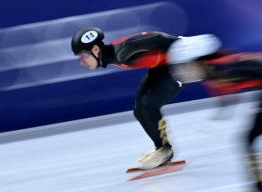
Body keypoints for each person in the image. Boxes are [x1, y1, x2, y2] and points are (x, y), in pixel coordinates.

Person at [168, 34, 262, 192]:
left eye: (183, 66)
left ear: (197, 61)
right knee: (248, 140)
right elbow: (229, 100)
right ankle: (258, 189)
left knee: (248, 140)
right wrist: (215, 121)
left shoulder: (223, 68)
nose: (181, 72)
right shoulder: (211, 75)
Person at [71, 27, 181, 169]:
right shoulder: (114, 54)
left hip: (179, 64)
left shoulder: (122, 52)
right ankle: (162, 149)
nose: (82, 62)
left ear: (96, 49)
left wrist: (184, 44)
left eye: (83, 56)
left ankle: (165, 150)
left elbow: (155, 38)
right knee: (139, 110)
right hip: (161, 67)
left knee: (148, 105)